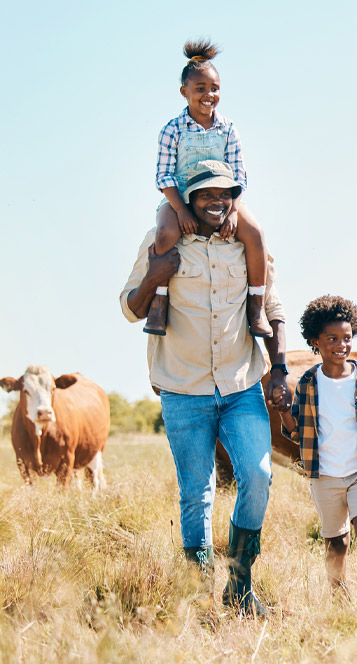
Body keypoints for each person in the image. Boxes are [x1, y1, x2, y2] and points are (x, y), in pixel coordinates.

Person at [120, 160, 291, 616]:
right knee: (197, 494)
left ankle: (239, 581)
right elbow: (130, 307)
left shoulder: (246, 247)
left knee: (258, 477)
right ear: (188, 201)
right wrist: (157, 276)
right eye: (205, 196)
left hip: (240, 387)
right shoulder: (163, 241)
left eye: (224, 195)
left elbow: (272, 308)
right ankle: (198, 596)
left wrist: (279, 368)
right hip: (182, 388)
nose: (216, 202)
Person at [145, 38, 270, 339]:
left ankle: (256, 305)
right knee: (165, 234)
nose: (208, 95)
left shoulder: (228, 129)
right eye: (200, 89)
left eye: (214, 88)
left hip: (222, 199)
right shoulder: (172, 129)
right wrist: (179, 210)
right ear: (184, 92)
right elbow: (164, 176)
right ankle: (159, 301)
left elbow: (239, 174)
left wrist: (233, 212)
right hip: (181, 199)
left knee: (255, 233)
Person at [275, 295, 357, 593]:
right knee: (336, 541)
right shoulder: (307, 383)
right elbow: (297, 432)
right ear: (315, 341)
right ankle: (339, 596)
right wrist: (283, 411)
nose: (341, 344)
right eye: (332, 338)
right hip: (325, 474)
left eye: (347, 337)